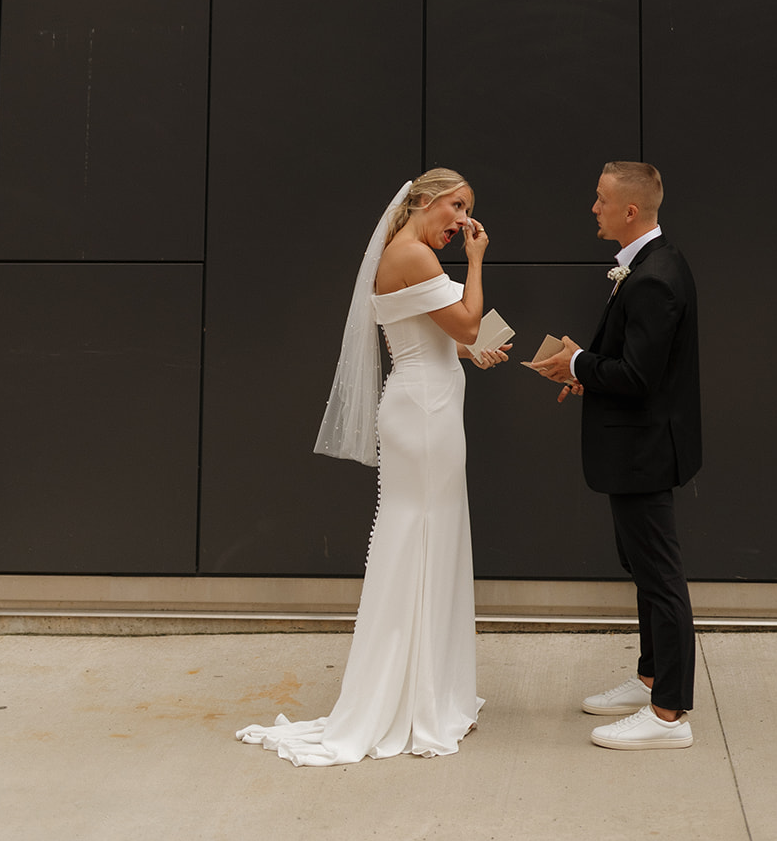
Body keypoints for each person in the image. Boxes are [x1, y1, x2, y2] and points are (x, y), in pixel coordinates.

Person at [237, 168, 508, 766]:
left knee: (428, 535)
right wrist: (477, 261)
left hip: (425, 405)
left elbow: (441, 335)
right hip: (425, 413)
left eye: (469, 211)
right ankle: (410, 695)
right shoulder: (415, 255)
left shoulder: (401, 253)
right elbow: (463, 319)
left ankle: (422, 687)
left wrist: (472, 350)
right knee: (419, 534)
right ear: (426, 200)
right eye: (457, 206)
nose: (464, 221)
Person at [534, 160, 700, 750]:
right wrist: (588, 369)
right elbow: (634, 364)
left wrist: (579, 364)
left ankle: (669, 716)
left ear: (631, 210)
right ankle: (651, 679)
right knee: (642, 569)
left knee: (660, 577)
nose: (593, 207)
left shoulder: (654, 277)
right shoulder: (652, 265)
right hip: (638, 446)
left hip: (644, 450)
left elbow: (636, 376)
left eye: (601, 199)